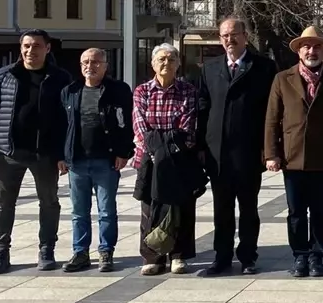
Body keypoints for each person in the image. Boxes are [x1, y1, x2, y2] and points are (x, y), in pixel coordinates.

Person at [0, 30, 72, 275]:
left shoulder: (61, 78)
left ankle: (46, 249)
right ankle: (0, 252)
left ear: (48, 48)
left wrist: (63, 154)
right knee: (4, 204)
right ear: (20, 48)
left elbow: (67, 119)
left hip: (46, 154)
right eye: (27, 46)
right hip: (9, 152)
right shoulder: (3, 76)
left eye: (37, 46)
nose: (31, 51)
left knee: (49, 203)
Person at [264, 26, 323, 278]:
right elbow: (272, 119)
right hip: (292, 158)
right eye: (307, 46)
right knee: (295, 211)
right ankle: (299, 256)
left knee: (320, 210)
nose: (311, 51)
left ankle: (316, 255)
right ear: (299, 51)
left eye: (317, 46)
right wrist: (272, 154)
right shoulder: (283, 78)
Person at [196, 17, 278, 277]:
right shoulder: (208, 69)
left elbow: (271, 113)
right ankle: (221, 257)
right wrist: (200, 148)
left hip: (248, 153)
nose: (229, 40)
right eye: (224, 36)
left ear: (245, 36)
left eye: (234, 35)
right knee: (221, 209)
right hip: (217, 154)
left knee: (248, 209)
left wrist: (269, 150)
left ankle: (247, 256)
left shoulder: (264, 68)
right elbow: (202, 109)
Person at [58, 48, 133, 273]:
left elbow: (126, 123)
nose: (90, 66)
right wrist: (61, 156)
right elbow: (61, 126)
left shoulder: (118, 90)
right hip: (77, 162)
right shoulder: (70, 91)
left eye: (95, 62)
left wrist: (124, 152)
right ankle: (80, 252)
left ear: (105, 65)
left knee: (106, 210)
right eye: (85, 62)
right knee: (79, 212)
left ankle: (106, 252)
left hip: (106, 161)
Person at [133, 43, 202, 276]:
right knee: (150, 209)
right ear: (153, 64)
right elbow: (142, 129)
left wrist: (167, 147)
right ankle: (153, 256)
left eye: (171, 59)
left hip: (179, 160)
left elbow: (187, 128)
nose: (166, 63)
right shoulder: (142, 92)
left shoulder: (187, 91)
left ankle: (179, 255)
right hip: (149, 161)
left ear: (178, 64)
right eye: (161, 59)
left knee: (180, 208)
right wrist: (159, 150)